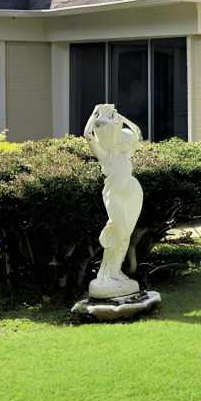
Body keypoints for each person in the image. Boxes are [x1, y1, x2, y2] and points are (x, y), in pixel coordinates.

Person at [83, 103, 144, 299]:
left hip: (131, 194)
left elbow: (137, 133)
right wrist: (95, 114)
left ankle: (115, 271)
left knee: (125, 236)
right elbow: (88, 135)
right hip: (114, 196)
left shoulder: (126, 154)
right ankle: (105, 275)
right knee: (118, 232)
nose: (127, 143)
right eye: (124, 141)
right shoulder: (106, 156)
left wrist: (120, 116)